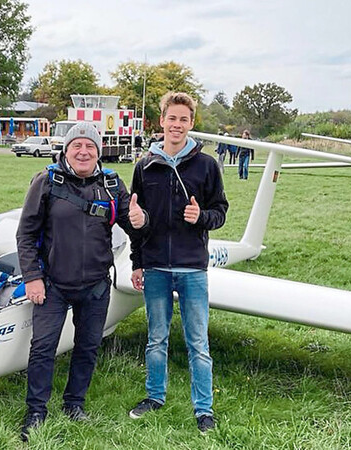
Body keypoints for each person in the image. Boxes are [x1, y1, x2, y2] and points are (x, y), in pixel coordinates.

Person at [16, 122, 146, 441]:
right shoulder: (46, 182)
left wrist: (142, 222)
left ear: (99, 151)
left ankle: (75, 404)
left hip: (96, 286)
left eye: (90, 146)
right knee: (43, 348)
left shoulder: (112, 184)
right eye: (77, 146)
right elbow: (26, 234)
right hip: (53, 284)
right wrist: (32, 277)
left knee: (87, 347)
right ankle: (36, 410)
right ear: (66, 150)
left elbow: (135, 229)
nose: (84, 151)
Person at [128, 92, 228, 433]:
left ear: (191, 123)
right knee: (156, 338)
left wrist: (201, 217)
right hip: (155, 266)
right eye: (172, 118)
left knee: (198, 341)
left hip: (191, 269)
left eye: (184, 119)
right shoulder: (145, 165)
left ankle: (204, 409)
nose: (177, 125)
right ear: (162, 121)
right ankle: (155, 396)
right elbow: (135, 220)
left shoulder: (207, 165)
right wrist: (137, 262)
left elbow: (220, 213)